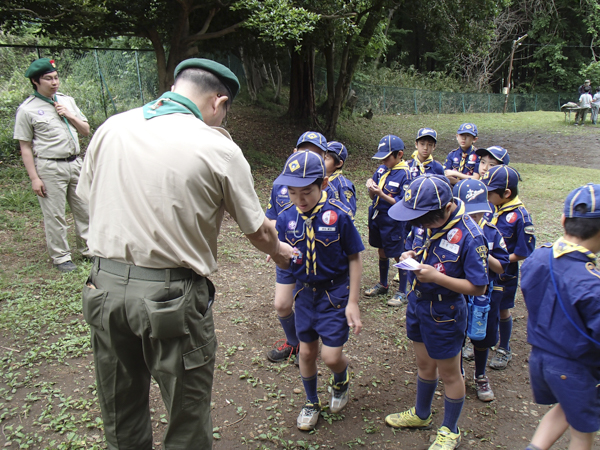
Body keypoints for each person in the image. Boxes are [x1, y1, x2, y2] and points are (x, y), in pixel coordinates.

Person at [76, 58, 294, 450]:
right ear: (218, 101)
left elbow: (86, 198)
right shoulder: (216, 147)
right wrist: (279, 253)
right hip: (169, 298)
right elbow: (259, 230)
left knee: (118, 407)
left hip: (102, 288)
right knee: (186, 414)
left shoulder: (113, 127)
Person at [384, 174, 488, 450]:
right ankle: (421, 414)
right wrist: (409, 256)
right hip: (418, 303)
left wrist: (437, 277)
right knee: (424, 364)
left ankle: (450, 430)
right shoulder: (424, 222)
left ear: (446, 209)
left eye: (423, 219)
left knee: (450, 373)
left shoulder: (470, 235)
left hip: (446, 311)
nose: (418, 224)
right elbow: (418, 244)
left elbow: (478, 287)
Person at [274, 150, 364, 431]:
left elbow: (355, 257)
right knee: (307, 352)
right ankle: (311, 401)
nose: (299, 200)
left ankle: (341, 378)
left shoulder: (338, 215)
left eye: (306, 192)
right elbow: (284, 256)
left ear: (323, 185)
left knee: (331, 357)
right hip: (305, 295)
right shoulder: (287, 217)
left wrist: (353, 302)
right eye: (292, 192)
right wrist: (276, 253)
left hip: (334, 295)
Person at [521, 183, 600, 450]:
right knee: (582, 434)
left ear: (563, 219)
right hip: (576, 367)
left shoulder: (538, 257)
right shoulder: (591, 282)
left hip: (541, 359)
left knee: (564, 409)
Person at [13, 58, 91, 273]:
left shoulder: (67, 101)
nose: (54, 82)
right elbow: (25, 147)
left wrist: (69, 114)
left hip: (75, 163)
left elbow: (85, 130)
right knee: (54, 214)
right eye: (48, 79)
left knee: (84, 208)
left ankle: (89, 249)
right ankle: (61, 257)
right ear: (35, 81)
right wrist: (34, 178)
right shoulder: (27, 110)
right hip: (49, 167)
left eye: (56, 78)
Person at [264, 131, 330, 364]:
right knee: (282, 304)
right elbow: (271, 218)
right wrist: (275, 246)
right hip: (287, 254)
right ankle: (294, 343)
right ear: (294, 152)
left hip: (314, 259)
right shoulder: (280, 185)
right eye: (303, 150)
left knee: (313, 305)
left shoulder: (323, 188)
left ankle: (311, 345)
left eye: (316, 153)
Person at [453, 179, 510, 402]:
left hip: (486, 296)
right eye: (469, 215)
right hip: (459, 294)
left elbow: (502, 266)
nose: (473, 220)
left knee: (483, 337)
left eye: (477, 215)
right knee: (457, 333)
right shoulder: (454, 233)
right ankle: (458, 372)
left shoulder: (493, 233)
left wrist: (484, 251)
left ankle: (480, 375)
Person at [480, 165, 536, 370]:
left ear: (506, 193)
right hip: (485, 271)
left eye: (490, 192)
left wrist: (499, 262)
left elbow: (523, 251)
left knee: (503, 310)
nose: (487, 195)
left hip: (505, 275)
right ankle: (479, 340)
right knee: (482, 305)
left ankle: (504, 348)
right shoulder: (491, 208)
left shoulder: (520, 217)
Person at [365, 135, 412, 306]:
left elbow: (403, 203)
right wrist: (371, 187)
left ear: (399, 154)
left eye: (387, 157)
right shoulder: (381, 170)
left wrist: (381, 194)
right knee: (382, 250)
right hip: (378, 217)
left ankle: (402, 292)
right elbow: (372, 195)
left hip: (395, 220)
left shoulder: (405, 174)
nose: (383, 160)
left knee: (399, 255)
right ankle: (383, 284)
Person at [325, 141, 357, 215]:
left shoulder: (343, 186)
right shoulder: (316, 179)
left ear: (339, 163)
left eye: (326, 158)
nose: (321, 160)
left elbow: (348, 214)